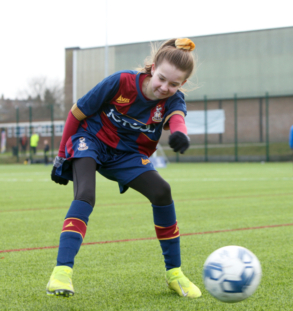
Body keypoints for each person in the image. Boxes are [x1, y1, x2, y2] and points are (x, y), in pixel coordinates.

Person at [47, 38, 200, 299]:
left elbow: (177, 119)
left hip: (128, 155)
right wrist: (62, 156)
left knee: (162, 191)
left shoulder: (174, 100)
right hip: (91, 141)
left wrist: (180, 134)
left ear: (182, 84)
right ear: (153, 68)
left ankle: (175, 274)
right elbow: (76, 113)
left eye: (174, 84)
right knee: (85, 194)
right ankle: (61, 272)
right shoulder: (121, 82)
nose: (165, 87)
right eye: (162, 78)